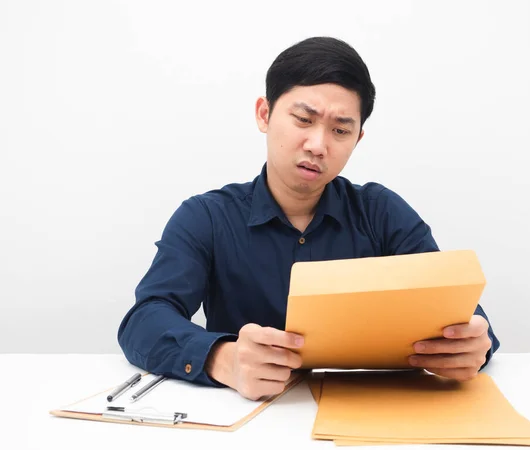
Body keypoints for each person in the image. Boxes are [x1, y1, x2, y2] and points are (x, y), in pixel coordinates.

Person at [118, 36, 500, 401]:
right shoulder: (207, 217)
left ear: (357, 140)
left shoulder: (382, 212)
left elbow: (463, 315)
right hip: (247, 421)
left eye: (339, 130)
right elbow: (145, 319)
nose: (319, 145)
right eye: (303, 119)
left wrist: (472, 347)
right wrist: (223, 358)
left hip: (370, 412)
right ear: (264, 114)